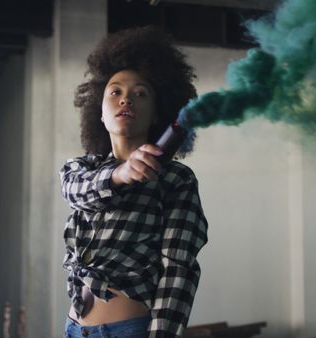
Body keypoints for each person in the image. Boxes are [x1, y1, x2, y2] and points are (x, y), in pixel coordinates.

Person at [59, 26, 208, 338]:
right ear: (99, 112)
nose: (126, 99)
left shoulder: (175, 180)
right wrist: (119, 175)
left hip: (129, 330)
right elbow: (77, 192)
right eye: (115, 92)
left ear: (156, 114)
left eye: (140, 94)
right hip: (74, 329)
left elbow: (178, 270)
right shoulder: (80, 169)